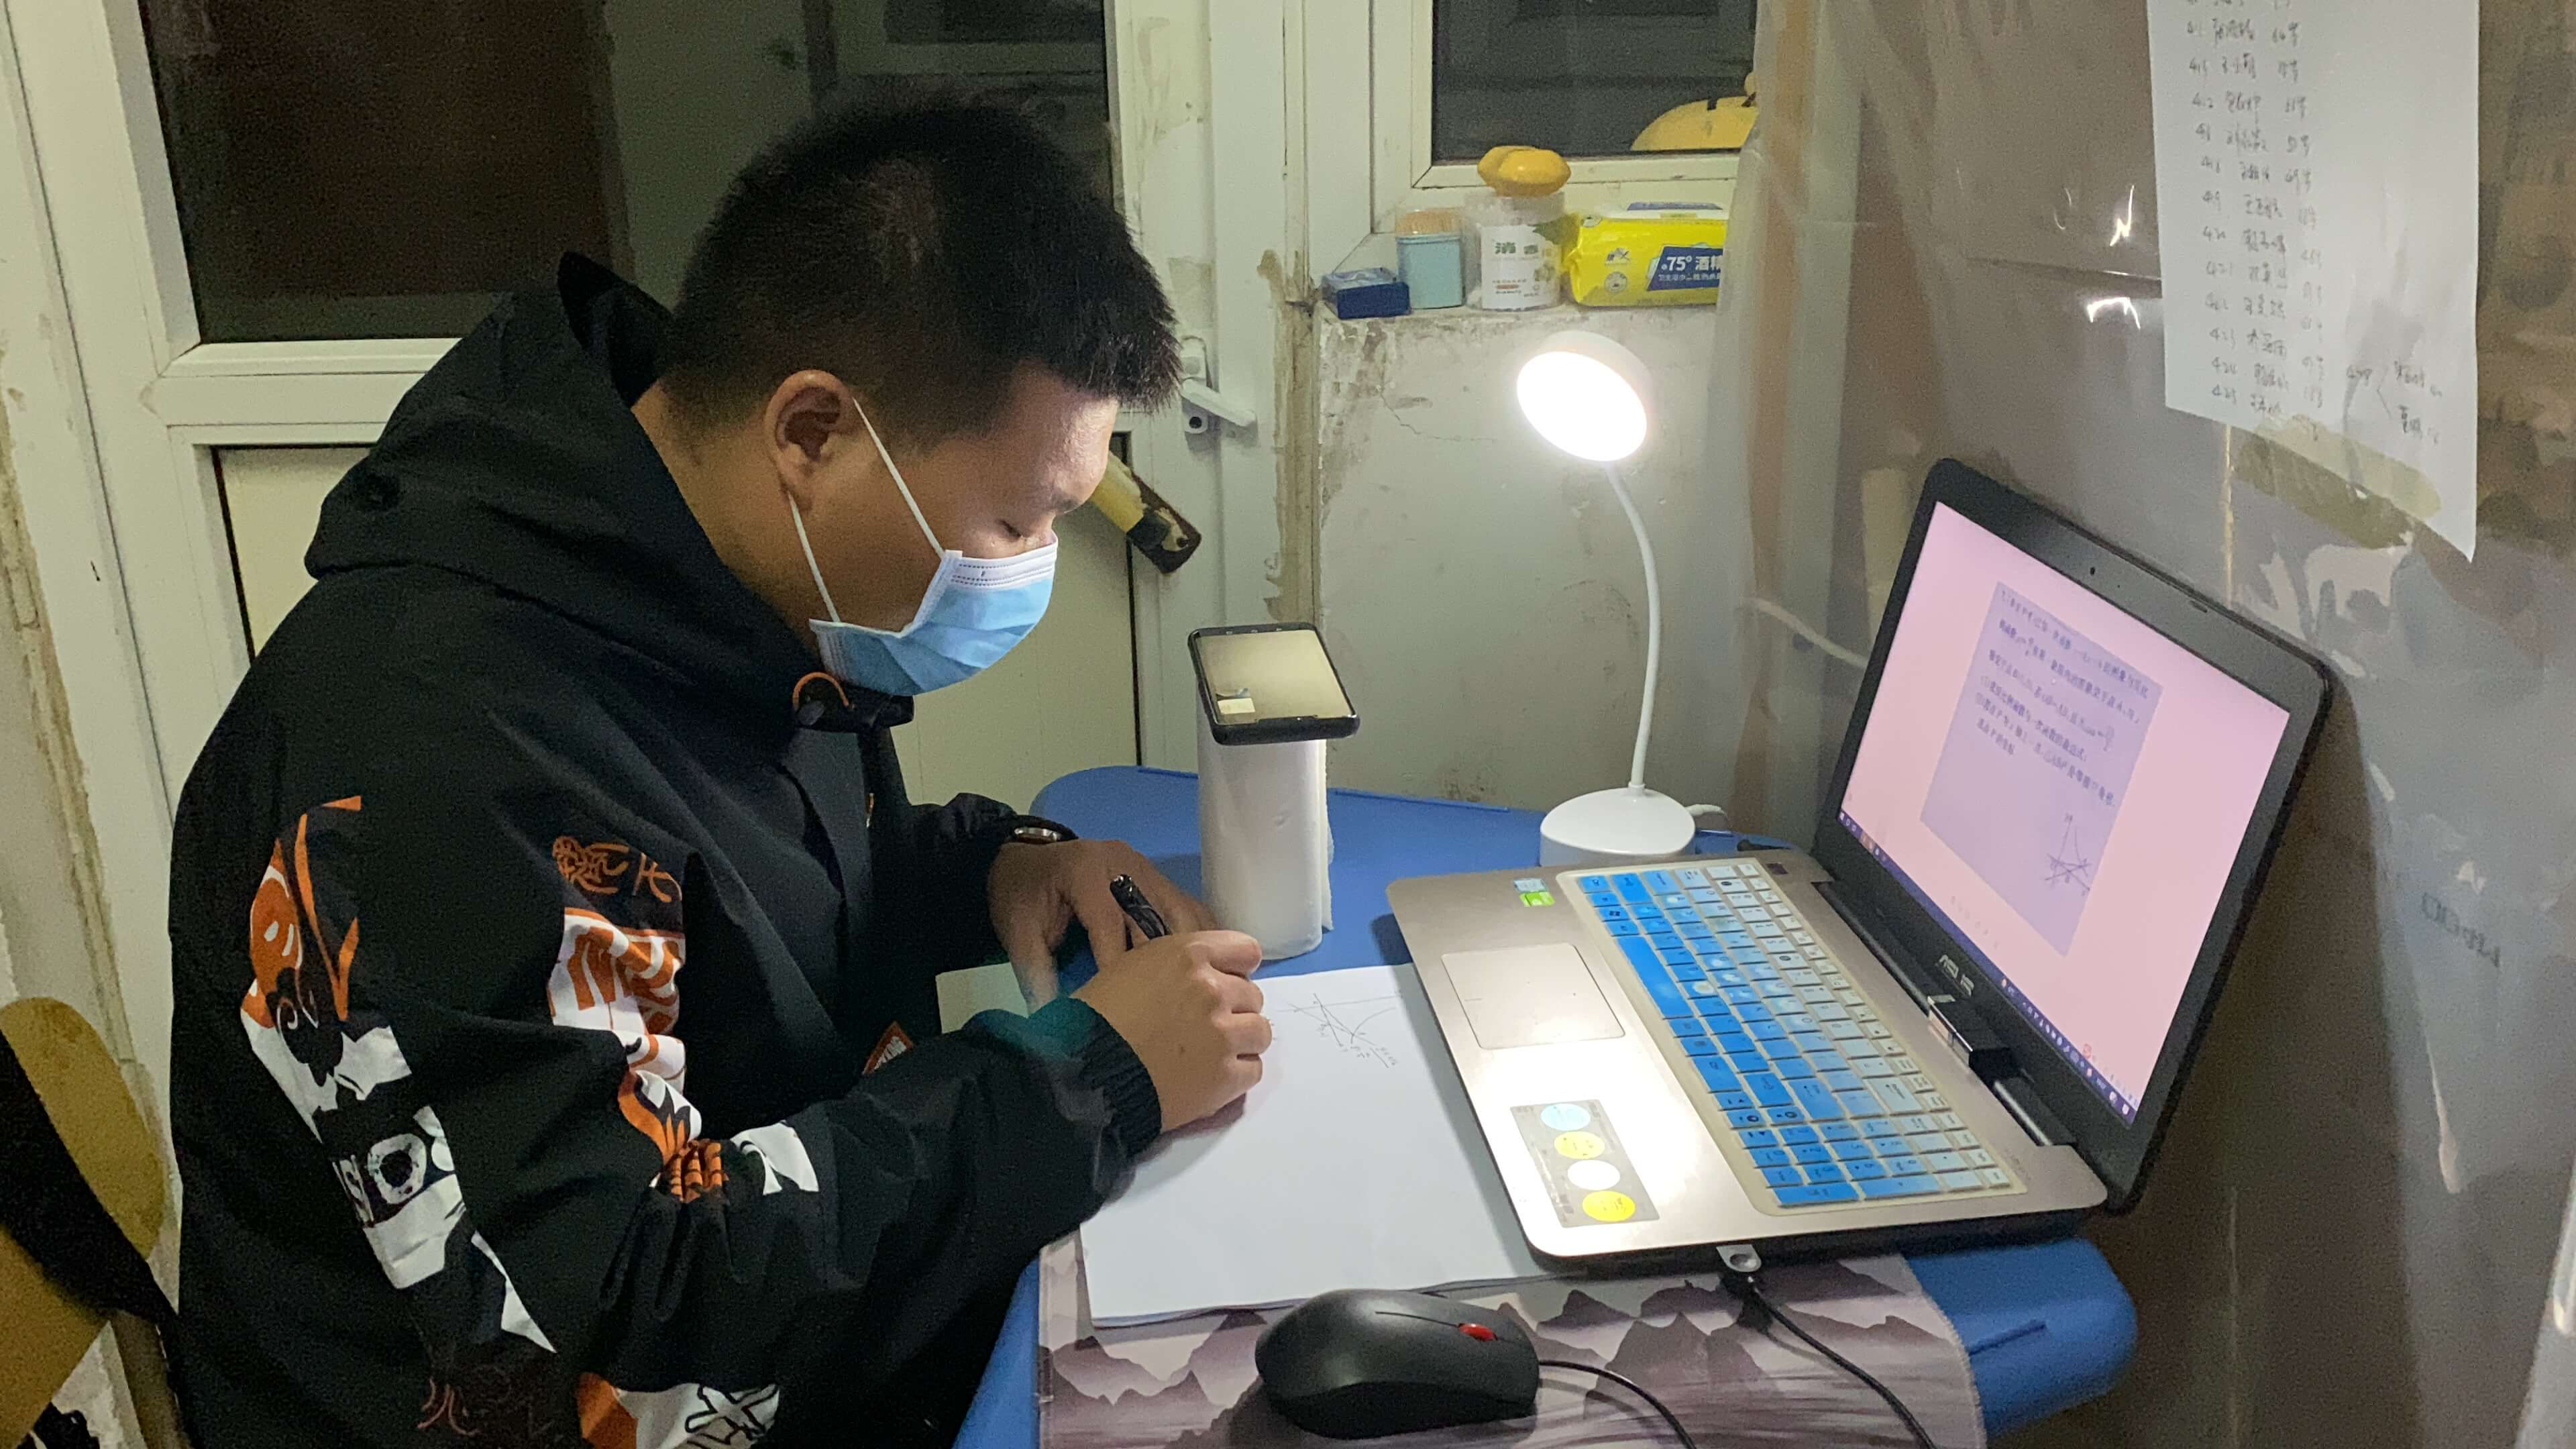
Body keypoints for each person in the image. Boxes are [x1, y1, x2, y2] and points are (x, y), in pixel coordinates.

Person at [165, 101, 1272, 1448]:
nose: (1030, 564)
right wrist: (1087, 1081)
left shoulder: (709, 583)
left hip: (805, 1310)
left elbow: (749, 894)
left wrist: (995, 867)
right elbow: (637, 1281)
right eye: (1014, 517)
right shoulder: (438, 757)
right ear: (811, 432)